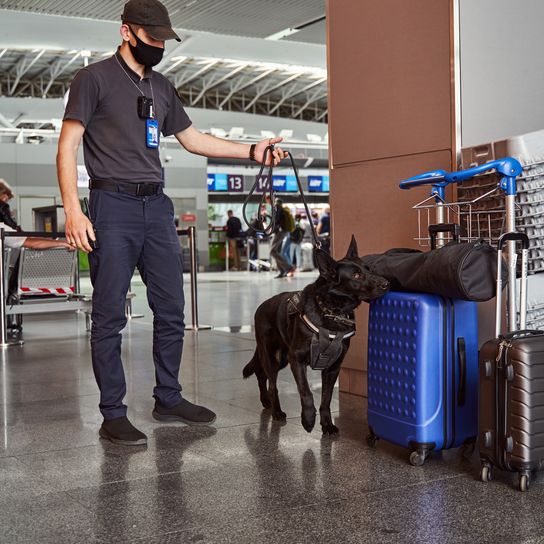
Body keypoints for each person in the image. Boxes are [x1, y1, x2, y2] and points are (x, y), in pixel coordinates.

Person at [56, 0, 287, 446]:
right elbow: (67, 146)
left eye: (164, 39)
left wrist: (252, 152)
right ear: (127, 32)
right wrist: (73, 209)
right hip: (111, 204)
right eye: (151, 38)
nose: (159, 45)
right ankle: (113, 412)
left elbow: (193, 138)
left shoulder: (162, 87)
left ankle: (169, 397)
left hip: (156, 208)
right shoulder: (93, 79)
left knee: (172, 309)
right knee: (108, 316)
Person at [269, 198, 291, 279]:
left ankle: (288, 267)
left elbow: (275, 220)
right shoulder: (281, 208)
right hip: (282, 231)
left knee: (272, 251)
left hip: (279, 231)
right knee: (276, 251)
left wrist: (268, 215)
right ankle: (282, 271)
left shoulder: (277, 207)